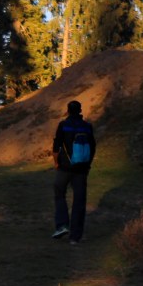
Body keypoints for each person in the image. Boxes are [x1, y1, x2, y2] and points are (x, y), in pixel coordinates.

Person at [51, 100, 96, 244]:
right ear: (80, 110)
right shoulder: (87, 127)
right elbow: (93, 147)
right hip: (81, 169)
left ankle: (62, 225)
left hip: (64, 167)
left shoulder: (63, 125)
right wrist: (87, 165)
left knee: (59, 194)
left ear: (68, 111)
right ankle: (75, 238)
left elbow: (56, 146)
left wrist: (56, 162)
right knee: (79, 201)